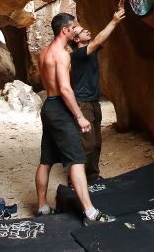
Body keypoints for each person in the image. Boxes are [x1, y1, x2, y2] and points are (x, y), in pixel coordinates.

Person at [34, 12, 116, 225]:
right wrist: (79, 116)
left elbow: (48, 84)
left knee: (46, 161)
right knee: (77, 160)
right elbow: (64, 88)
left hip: (48, 106)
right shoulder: (61, 54)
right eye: (74, 27)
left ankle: (42, 207)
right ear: (65, 30)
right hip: (60, 109)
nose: (75, 30)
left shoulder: (44, 53)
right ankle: (91, 213)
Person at [69, 0, 126, 182]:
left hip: (93, 101)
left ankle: (92, 175)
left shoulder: (91, 50)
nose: (86, 30)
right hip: (82, 102)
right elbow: (99, 39)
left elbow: (98, 40)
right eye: (81, 31)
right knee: (87, 142)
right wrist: (114, 20)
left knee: (97, 142)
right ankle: (74, 178)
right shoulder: (77, 54)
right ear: (76, 39)